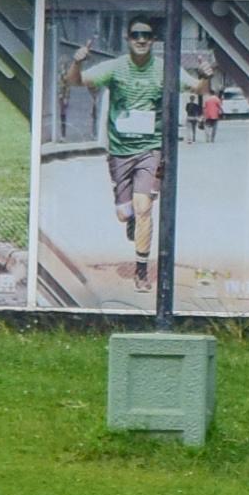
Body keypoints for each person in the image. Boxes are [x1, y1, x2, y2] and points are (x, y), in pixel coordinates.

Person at [65, 16, 171, 291]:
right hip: (120, 151)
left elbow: (197, 87)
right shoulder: (114, 67)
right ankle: (130, 218)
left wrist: (205, 77)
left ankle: (141, 271)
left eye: (146, 35)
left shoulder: (163, 69)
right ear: (127, 38)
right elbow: (75, 81)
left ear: (153, 40)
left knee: (144, 207)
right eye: (136, 34)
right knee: (125, 213)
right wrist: (77, 62)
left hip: (150, 149)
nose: (141, 39)